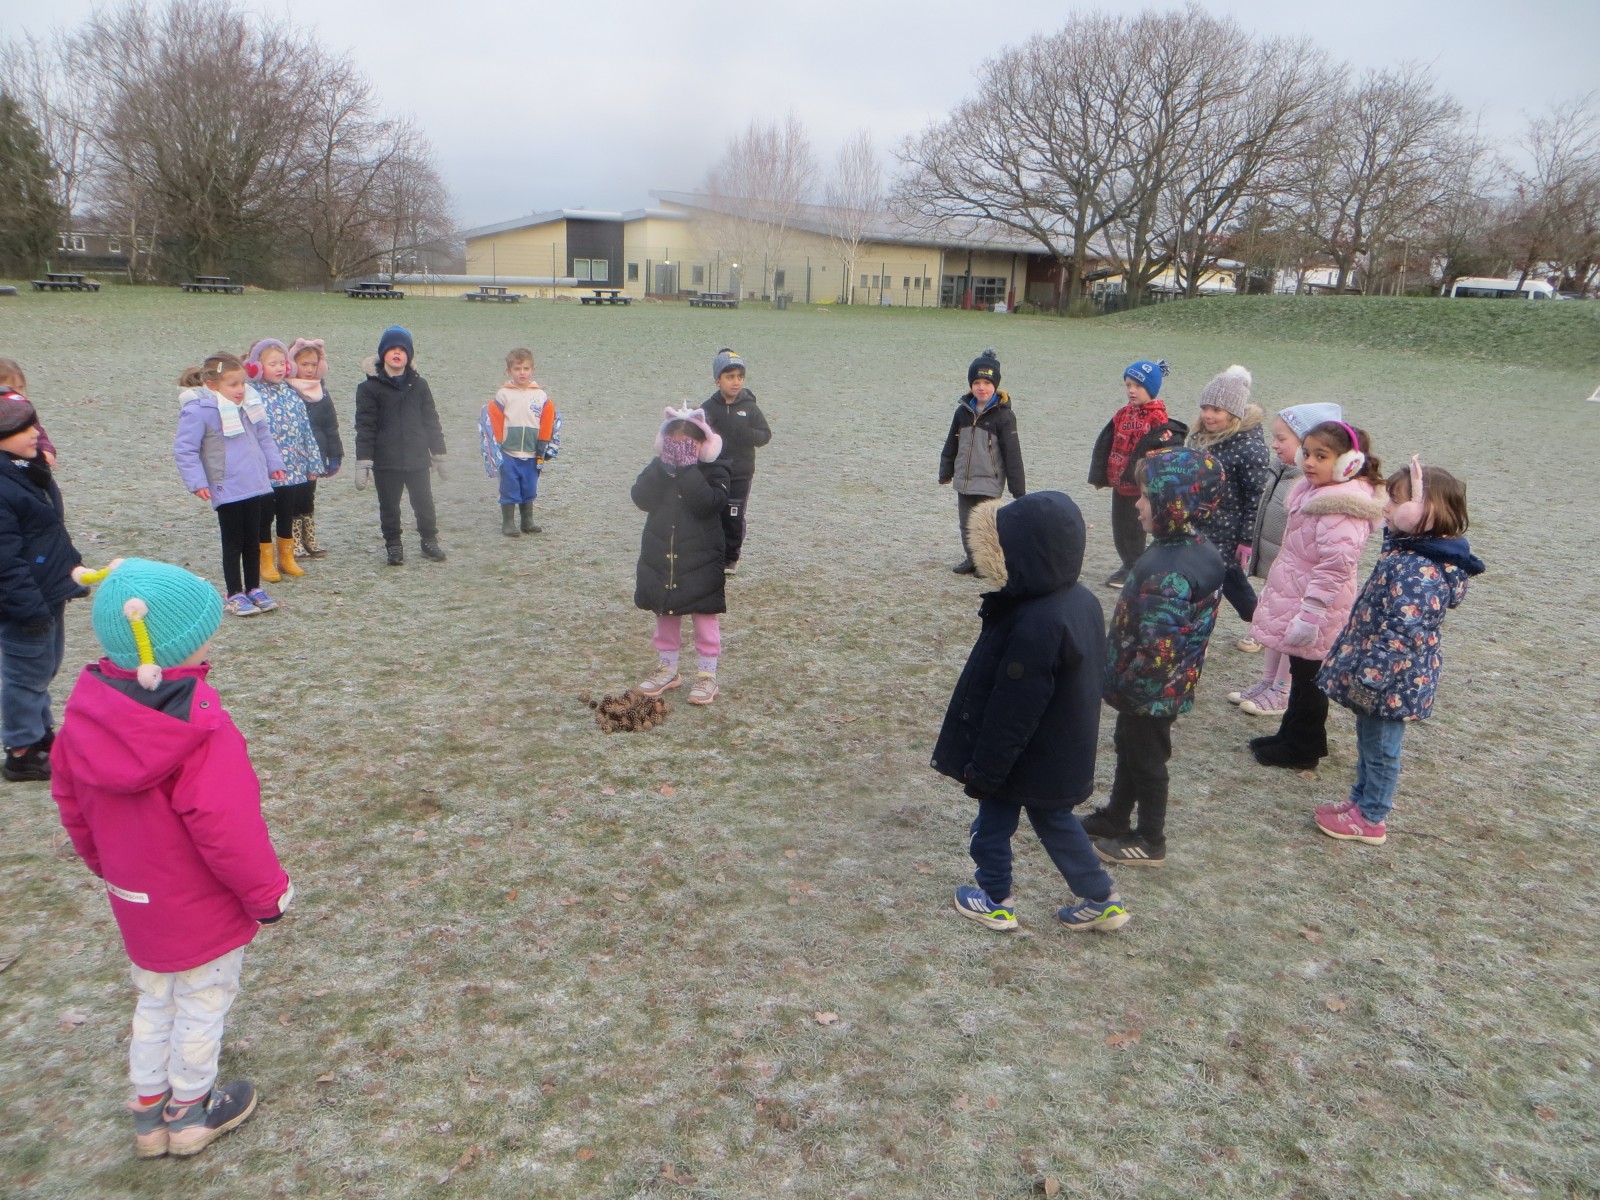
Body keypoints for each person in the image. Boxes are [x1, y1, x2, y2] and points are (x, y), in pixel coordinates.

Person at [50, 558, 292, 1159]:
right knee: (202, 1001)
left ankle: (148, 1112)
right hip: (199, 904)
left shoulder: (84, 718)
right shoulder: (200, 731)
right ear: (175, 648)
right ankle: (189, 1111)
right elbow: (227, 827)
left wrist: (108, 867)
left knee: (155, 996)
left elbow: (73, 807)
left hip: (135, 898)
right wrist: (267, 895)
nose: (209, 642)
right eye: (202, 635)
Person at [932, 490, 1129, 932]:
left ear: (1024, 554)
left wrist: (986, 770)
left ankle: (994, 899)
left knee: (993, 821)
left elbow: (1013, 708)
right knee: (1056, 820)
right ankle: (1103, 898)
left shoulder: (1035, 621)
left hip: (1020, 754)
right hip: (1061, 750)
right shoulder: (1080, 600)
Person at [1314, 459, 1484, 844]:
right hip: (1383, 677)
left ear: (1425, 511)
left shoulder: (1420, 570)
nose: (1386, 507)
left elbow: (1401, 635)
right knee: (1369, 741)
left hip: (1391, 681)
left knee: (1381, 748)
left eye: (1395, 500)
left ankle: (1372, 818)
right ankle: (1360, 800)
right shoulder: (1407, 552)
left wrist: (1370, 679)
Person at [1081, 447, 1226, 867]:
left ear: (1174, 502)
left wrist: (1129, 686)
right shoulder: (1189, 548)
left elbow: (1159, 650)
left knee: (1146, 760)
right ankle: (1115, 816)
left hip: (1150, 689)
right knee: (1129, 749)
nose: (1138, 504)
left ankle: (1149, 839)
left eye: (1147, 496)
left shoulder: (1169, 571)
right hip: (1161, 686)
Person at [1247, 421, 1384, 772]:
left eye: (1321, 456)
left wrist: (1310, 614)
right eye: (1306, 453)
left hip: (1317, 609)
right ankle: (1290, 734)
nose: (1308, 462)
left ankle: (1304, 747)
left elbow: (1335, 567)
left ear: (1348, 463)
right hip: (1301, 599)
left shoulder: (1341, 507)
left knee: (1310, 679)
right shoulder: (1315, 492)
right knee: (1301, 671)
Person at [1229, 401, 1342, 716]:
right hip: (1282, 571)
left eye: (1282, 438)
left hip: (1302, 580)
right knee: (1276, 628)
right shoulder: (1283, 473)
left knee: (1290, 633)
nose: (1274, 444)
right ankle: (1268, 682)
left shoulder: (1315, 487)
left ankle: (1282, 689)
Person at [0, 394, 85, 782]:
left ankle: (39, 731)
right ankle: (21, 749)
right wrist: (27, 606)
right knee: (25, 673)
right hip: (24, 600)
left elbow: (48, 530)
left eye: (33, 423)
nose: (35, 433)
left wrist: (70, 567)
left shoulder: (27, 470)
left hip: (46, 590)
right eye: (23, 428)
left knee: (45, 666)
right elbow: (5, 560)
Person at [173, 352, 287, 618]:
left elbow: (263, 436)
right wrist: (197, 482)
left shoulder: (250, 405)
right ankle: (234, 593)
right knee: (233, 542)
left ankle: (254, 588)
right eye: (233, 384)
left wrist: (274, 464)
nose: (240, 389)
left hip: (254, 482)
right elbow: (185, 449)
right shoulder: (199, 411)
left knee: (253, 540)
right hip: (227, 487)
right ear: (212, 385)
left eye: (242, 383)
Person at [632, 407, 730, 706]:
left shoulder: (716, 470)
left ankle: (707, 673)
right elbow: (641, 498)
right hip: (664, 555)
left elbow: (708, 504)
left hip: (702, 558)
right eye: (673, 443)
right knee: (665, 612)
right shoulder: (659, 468)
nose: (680, 449)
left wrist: (688, 470)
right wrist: (664, 468)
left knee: (704, 616)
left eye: (689, 443)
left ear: (704, 444)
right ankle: (667, 668)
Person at [1088, 359, 1186, 588]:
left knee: (1135, 528)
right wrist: (1100, 476)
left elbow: (1163, 452)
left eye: (1138, 386)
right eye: (1128, 385)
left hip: (1140, 485)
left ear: (1151, 389)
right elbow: (1106, 444)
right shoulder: (1122, 414)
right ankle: (1129, 563)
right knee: (1120, 527)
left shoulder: (1157, 419)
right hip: (1120, 481)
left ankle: (1135, 566)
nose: (1132, 390)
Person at [354, 327, 447, 566]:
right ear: (383, 353)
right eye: (392, 349)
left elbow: (431, 420)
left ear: (409, 355)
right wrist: (363, 461)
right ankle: (393, 544)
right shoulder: (368, 389)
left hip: (417, 458)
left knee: (424, 503)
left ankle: (429, 540)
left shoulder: (420, 385)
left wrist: (438, 453)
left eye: (402, 350)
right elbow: (365, 426)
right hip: (386, 461)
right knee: (389, 506)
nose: (397, 353)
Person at [1188, 365, 1271, 631]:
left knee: (1226, 580)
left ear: (1233, 413)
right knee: (1209, 577)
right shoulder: (1199, 438)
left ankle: (1259, 624)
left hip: (1228, 530)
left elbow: (1255, 499)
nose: (1208, 415)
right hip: (1199, 522)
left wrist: (1246, 539)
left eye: (1216, 410)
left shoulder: (1250, 449)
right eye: (1205, 407)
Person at [938, 348, 1025, 575]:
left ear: (995, 385)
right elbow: (951, 443)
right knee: (966, 523)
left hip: (990, 480)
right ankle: (972, 559)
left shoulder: (1004, 416)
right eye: (976, 382)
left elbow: (1013, 454)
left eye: (987, 382)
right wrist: (946, 471)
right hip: (965, 480)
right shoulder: (962, 412)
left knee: (987, 523)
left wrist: (1018, 488)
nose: (981, 387)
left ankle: (986, 562)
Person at [244, 339, 323, 583]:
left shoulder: (292, 395)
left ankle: (286, 557)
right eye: (272, 364)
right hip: (264, 470)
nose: (279, 368)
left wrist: (312, 463)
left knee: (286, 514)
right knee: (264, 515)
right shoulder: (250, 396)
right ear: (257, 367)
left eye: (282, 363)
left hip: (293, 468)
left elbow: (306, 431)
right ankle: (265, 560)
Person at [698, 348, 771, 573]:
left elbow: (765, 435)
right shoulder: (708, 408)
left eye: (740, 377)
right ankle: (712, 554)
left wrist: (749, 434)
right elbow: (698, 436)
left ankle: (730, 558)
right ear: (717, 380)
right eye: (730, 377)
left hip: (740, 474)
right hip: (714, 473)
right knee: (713, 514)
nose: (736, 382)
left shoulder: (750, 408)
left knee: (734, 515)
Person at [483, 347, 556, 537]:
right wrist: (498, 443)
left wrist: (544, 442)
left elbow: (548, 419)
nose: (522, 373)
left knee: (529, 485)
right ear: (509, 371)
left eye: (526, 368)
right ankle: (508, 522)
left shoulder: (540, 396)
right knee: (509, 486)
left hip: (532, 451)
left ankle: (527, 520)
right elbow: (495, 419)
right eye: (517, 369)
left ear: (533, 370)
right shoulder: (503, 395)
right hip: (509, 451)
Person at [286, 338, 342, 558]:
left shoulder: (322, 394)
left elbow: (331, 426)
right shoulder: (286, 391)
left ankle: (308, 536)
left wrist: (335, 455)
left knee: (308, 495)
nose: (309, 370)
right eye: (304, 364)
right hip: (291, 456)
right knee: (291, 497)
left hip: (315, 455)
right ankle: (292, 539)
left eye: (313, 364)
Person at [0, 357, 59, 467]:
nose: (18, 393)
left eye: (20, 387)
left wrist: (47, 450)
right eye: (10, 389)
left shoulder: (25, 410)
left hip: (26, 463)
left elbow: (39, 433)